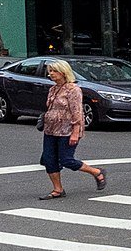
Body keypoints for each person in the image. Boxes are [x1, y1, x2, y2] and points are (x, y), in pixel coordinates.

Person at [37, 61, 106, 197]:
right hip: (51, 129)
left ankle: (96, 172)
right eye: (50, 71)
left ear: (63, 72)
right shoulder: (53, 89)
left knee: (66, 160)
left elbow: (77, 112)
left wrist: (75, 132)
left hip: (67, 130)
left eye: (54, 71)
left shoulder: (73, 89)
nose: (50, 74)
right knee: (48, 159)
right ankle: (58, 189)